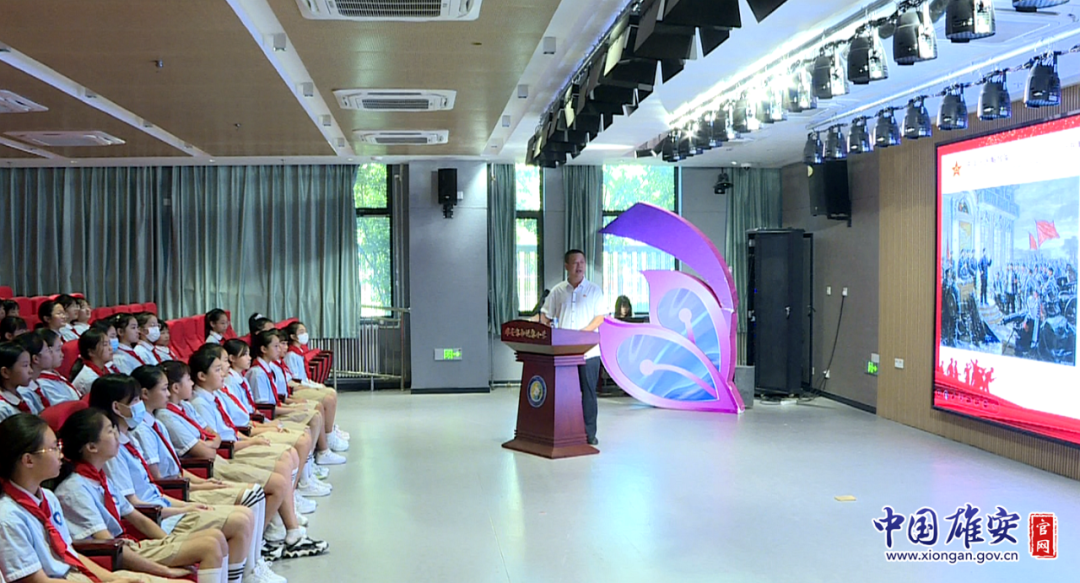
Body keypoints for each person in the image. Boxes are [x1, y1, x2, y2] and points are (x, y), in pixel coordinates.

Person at [87, 374, 282, 583]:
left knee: (247, 509)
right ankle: (248, 574)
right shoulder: (114, 454)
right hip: (157, 515)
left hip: (164, 504)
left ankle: (252, 569)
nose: (140, 404)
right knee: (240, 518)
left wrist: (191, 500)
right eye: (135, 400)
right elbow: (139, 504)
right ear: (117, 407)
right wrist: (185, 507)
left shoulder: (128, 440)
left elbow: (156, 486)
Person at [0, 413, 182, 583]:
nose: (61, 454)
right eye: (54, 448)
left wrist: (111, 579)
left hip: (76, 573)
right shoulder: (8, 517)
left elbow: (71, 554)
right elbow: (38, 580)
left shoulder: (48, 498)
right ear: (28, 460)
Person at [539, 249, 609, 446]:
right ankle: (564, 431)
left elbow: (600, 317)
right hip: (564, 353)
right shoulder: (558, 291)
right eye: (575, 263)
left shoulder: (594, 290)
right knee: (564, 394)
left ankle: (589, 434)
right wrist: (540, 325)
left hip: (588, 352)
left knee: (588, 394)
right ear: (566, 266)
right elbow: (545, 315)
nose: (579, 266)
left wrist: (582, 333)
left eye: (582, 262)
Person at [35, 328, 82, 406]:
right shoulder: (43, 384)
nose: (62, 355)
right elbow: (66, 407)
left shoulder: (54, 374)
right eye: (58, 350)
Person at [71, 329, 120, 396]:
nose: (110, 348)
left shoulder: (106, 369)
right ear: (91, 352)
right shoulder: (90, 379)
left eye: (109, 344)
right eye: (105, 345)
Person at [0, 341, 35, 420]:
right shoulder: (2, 409)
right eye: (25, 365)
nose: (31, 371)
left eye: (30, 365)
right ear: (5, 372)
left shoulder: (24, 399)